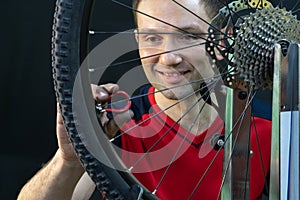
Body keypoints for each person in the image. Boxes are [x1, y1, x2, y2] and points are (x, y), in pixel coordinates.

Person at [18, 0, 272, 199]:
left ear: (221, 39)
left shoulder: (268, 131)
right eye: (153, 38)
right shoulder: (115, 125)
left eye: (188, 36)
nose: (168, 57)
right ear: (138, 40)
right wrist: (69, 160)